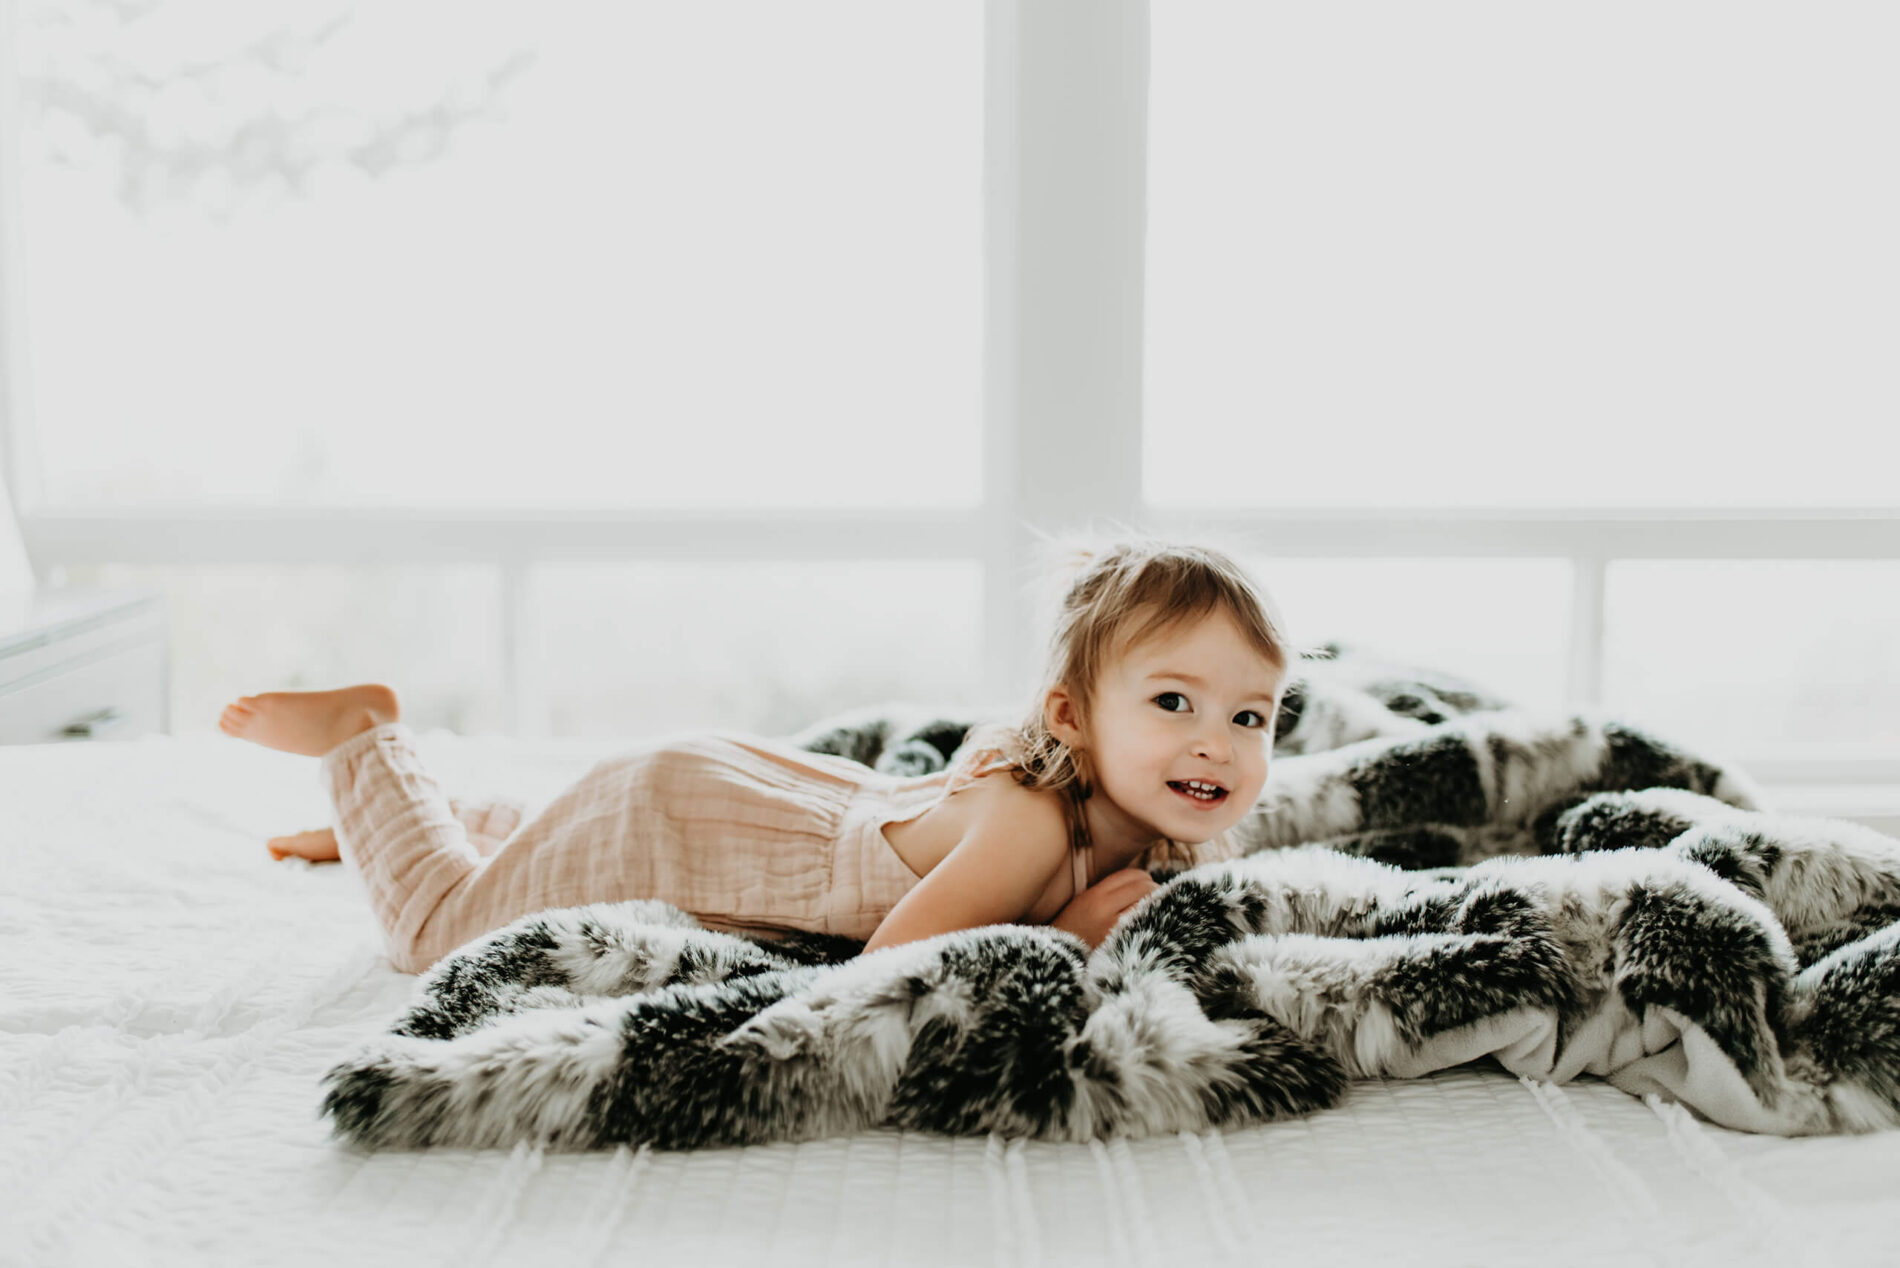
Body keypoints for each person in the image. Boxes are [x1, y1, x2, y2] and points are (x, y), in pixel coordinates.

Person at [220, 535, 1295, 973]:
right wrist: (1062, 930)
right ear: (1071, 717)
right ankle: (363, 740)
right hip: (680, 824)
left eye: (1251, 717)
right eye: (1171, 700)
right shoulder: (1026, 822)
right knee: (433, 930)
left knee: (544, 845)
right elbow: (883, 974)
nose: (1217, 742)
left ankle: (424, 811)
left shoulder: (1139, 807)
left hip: (730, 793)